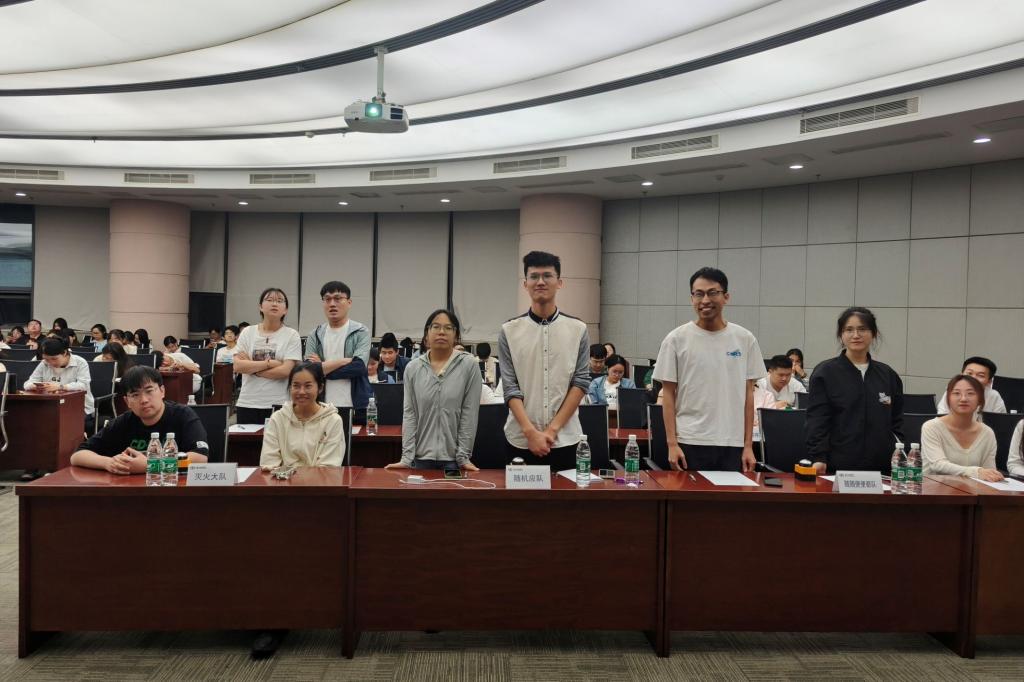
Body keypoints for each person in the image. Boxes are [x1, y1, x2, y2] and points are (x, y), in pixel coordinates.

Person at [654, 267, 766, 472]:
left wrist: (748, 445)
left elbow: (749, 395)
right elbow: (668, 394)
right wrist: (672, 443)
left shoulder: (745, 339)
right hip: (689, 440)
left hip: (732, 442)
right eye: (699, 294)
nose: (705, 300)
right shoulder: (676, 339)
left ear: (726, 297)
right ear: (692, 298)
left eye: (713, 292)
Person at [498, 251, 590, 471]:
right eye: (534, 276)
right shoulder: (509, 331)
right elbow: (510, 387)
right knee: (522, 496)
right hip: (521, 440)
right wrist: (530, 432)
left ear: (559, 282)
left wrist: (551, 431)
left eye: (547, 275)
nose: (540, 282)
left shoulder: (578, 329)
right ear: (525, 284)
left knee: (566, 495)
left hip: (566, 439)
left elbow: (580, 383)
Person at [805, 307, 904, 474]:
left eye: (862, 329)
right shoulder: (826, 372)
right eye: (849, 330)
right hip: (838, 466)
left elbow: (897, 420)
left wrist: (899, 450)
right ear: (841, 335)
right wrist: (818, 457)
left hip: (882, 466)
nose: (856, 335)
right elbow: (817, 419)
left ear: (873, 334)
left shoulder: (888, 375)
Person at [385, 310, 482, 470]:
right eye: (436, 327)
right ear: (426, 335)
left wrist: (463, 457)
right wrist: (406, 458)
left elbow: (469, 413)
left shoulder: (469, 366)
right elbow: (409, 414)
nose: (441, 332)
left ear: (456, 335)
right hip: (420, 458)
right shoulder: (413, 368)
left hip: (454, 460)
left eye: (448, 328)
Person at [70, 366, 209, 474]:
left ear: (162, 391)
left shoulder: (182, 415)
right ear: (127, 401)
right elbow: (77, 456)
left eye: (149, 391)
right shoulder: (123, 422)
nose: (144, 400)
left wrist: (150, 465)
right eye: (135, 395)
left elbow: (200, 458)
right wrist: (108, 463)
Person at [232, 288, 302, 424]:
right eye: (269, 300)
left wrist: (253, 369)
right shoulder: (247, 332)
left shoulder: (291, 335)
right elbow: (238, 366)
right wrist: (269, 364)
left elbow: (285, 371)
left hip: (279, 404)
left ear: (285, 310)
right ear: (260, 306)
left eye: (280, 301)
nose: (274, 304)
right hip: (247, 403)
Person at [260, 362, 345, 469]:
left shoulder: (333, 420)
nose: (301, 392)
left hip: (319, 479)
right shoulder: (277, 419)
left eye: (308, 386)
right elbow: (268, 463)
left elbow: (329, 467)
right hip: (282, 478)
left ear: (320, 388)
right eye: (296, 386)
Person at [304, 281, 372, 413]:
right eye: (327, 299)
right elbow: (309, 370)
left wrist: (322, 367)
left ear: (349, 303)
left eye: (337, 298)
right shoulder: (315, 334)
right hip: (321, 405)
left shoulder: (360, 331)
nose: (332, 304)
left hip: (355, 405)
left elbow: (358, 367)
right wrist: (343, 361)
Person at [921, 374, 1002, 481]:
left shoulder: (987, 433)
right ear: (948, 399)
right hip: (934, 488)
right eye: (956, 393)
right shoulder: (931, 427)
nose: (963, 399)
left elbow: (988, 472)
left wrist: (993, 476)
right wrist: (975, 472)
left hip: (973, 490)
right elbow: (937, 465)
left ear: (980, 399)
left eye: (970, 393)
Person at [25, 336, 96, 435]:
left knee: (59, 424)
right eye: (46, 359)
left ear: (65, 353)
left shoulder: (80, 362)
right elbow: (27, 384)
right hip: (50, 406)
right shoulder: (44, 363)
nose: (51, 363)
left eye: (54, 359)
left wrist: (61, 387)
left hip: (78, 407)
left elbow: (83, 385)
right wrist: (37, 386)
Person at [936, 356, 1007, 418]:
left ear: (989, 381)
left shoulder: (994, 396)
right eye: (969, 373)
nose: (973, 378)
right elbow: (941, 417)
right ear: (961, 375)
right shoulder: (952, 392)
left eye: (980, 375)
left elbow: (1001, 422)